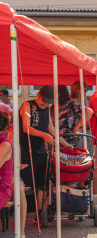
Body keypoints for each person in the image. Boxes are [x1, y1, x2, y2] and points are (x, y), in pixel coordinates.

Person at [19, 86, 72, 223]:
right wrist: (43, 134)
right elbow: (26, 127)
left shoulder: (47, 108)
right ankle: (22, 218)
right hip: (26, 150)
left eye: (48, 103)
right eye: (43, 103)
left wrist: (64, 143)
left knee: (42, 184)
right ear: (37, 95)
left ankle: (39, 213)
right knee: (27, 185)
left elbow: (51, 128)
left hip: (42, 151)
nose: (45, 105)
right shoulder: (27, 105)